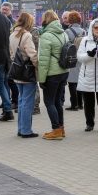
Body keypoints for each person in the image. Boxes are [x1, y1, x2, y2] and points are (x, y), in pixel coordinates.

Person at [37, 10, 69, 140]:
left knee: (49, 102)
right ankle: (61, 128)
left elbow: (44, 61)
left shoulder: (46, 36)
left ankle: (56, 130)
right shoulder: (63, 33)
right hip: (64, 71)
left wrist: (41, 79)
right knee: (57, 102)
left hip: (52, 73)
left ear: (46, 20)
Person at [9, 12, 40, 138]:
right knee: (27, 102)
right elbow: (32, 54)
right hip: (27, 72)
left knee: (22, 100)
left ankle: (21, 128)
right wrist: (38, 66)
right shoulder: (26, 35)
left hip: (17, 71)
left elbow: (11, 54)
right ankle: (26, 130)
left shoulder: (12, 34)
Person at [76, 19, 98, 133]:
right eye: (96, 28)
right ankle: (89, 123)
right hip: (87, 76)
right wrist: (89, 55)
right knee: (88, 102)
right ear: (91, 28)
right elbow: (80, 57)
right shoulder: (85, 40)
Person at [64, 11, 86, 111]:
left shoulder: (68, 32)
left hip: (72, 59)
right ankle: (81, 104)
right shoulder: (84, 31)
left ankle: (74, 104)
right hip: (81, 58)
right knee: (80, 81)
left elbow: (65, 46)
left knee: (72, 82)